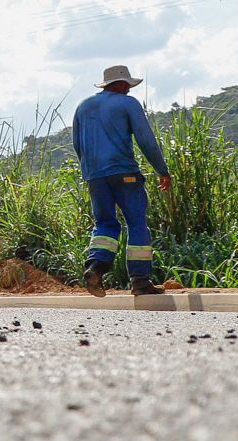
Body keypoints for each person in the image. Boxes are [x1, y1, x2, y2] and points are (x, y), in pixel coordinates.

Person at [72, 64, 173, 296]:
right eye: (127, 84)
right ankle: (140, 281)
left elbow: (78, 145)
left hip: (95, 176)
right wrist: (162, 170)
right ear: (119, 84)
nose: (129, 88)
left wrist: (90, 172)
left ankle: (95, 268)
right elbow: (145, 139)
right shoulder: (128, 103)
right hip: (124, 172)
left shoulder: (83, 106)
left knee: (105, 224)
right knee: (136, 223)